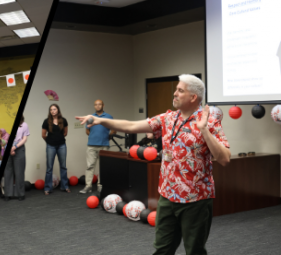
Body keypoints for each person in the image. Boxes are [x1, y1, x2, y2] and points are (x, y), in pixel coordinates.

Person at [77, 75, 228, 254]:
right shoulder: (167, 118)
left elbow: (224, 158)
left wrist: (204, 130)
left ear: (193, 97)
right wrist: (102, 121)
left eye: (180, 90)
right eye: (176, 89)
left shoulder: (209, 122)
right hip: (167, 195)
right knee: (162, 249)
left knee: (195, 250)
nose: (175, 93)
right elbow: (131, 126)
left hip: (195, 200)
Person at [82, 99, 115, 194]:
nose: (98, 106)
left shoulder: (109, 117)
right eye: (96, 104)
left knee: (102, 167)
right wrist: (94, 136)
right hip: (91, 146)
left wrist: (109, 135)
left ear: (103, 105)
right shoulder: (90, 117)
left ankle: (100, 186)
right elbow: (87, 130)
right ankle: (88, 186)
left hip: (104, 146)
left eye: (99, 104)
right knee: (90, 166)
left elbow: (114, 130)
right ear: (94, 106)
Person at [42, 104, 70, 194]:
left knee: (63, 167)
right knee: (49, 168)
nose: (53, 111)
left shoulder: (63, 120)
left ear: (58, 110)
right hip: (51, 146)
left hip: (62, 146)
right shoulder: (46, 121)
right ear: (50, 111)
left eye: (54, 109)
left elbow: (65, 133)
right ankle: (47, 188)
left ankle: (65, 186)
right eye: (51, 110)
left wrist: (58, 138)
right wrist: (50, 141)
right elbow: (43, 135)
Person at [3, 120, 29, 201]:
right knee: (7, 172)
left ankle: (20, 194)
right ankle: (7, 194)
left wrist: (14, 147)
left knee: (19, 172)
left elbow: (24, 139)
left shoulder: (24, 125)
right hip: (7, 147)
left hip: (19, 148)